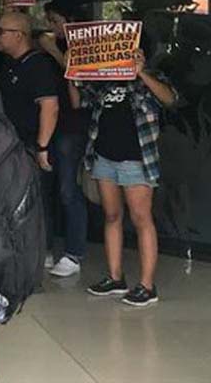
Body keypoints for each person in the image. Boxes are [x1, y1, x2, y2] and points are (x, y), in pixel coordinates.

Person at [69, 49, 177, 306]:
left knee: (141, 218)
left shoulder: (150, 77)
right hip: (104, 156)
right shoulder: (105, 79)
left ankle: (147, 285)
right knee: (111, 216)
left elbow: (170, 99)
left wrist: (141, 72)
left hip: (137, 159)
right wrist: (71, 75)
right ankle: (116, 277)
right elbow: (78, 103)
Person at [37, 0, 91, 277]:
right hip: (51, 126)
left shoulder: (79, 48)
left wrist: (56, 53)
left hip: (71, 127)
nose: (50, 27)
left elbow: (78, 91)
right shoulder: (46, 51)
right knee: (46, 190)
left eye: (55, 21)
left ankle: (74, 251)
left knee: (68, 191)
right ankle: (44, 247)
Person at [0, 11, 59, 172]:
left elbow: (50, 106)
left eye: (2, 32)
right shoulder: (8, 64)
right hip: (12, 143)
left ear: (18, 35)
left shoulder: (38, 65)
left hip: (30, 147)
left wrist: (42, 147)